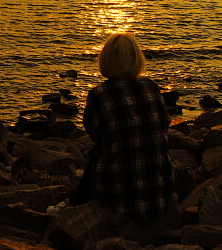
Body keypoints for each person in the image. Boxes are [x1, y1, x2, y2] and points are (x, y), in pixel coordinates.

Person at [71, 33, 174, 219]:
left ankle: (73, 204)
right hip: (160, 193)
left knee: (97, 154)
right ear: (137, 59)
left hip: (118, 196)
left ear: (105, 60)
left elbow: (97, 136)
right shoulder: (152, 87)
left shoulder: (98, 95)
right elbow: (164, 126)